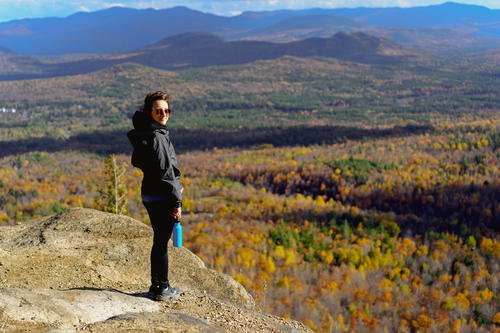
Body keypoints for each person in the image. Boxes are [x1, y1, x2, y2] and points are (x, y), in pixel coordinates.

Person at [127, 91, 183, 301]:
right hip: (162, 197)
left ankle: (155, 285)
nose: (164, 114)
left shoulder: (145, 133)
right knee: (161, 242)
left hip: (150, 193)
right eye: (158, 110)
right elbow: (167, 174)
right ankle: (163, 287)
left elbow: (138, 162)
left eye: (167, 110)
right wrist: (176, 202)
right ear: (150, 112)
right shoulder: (157, 137)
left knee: (158, 241)